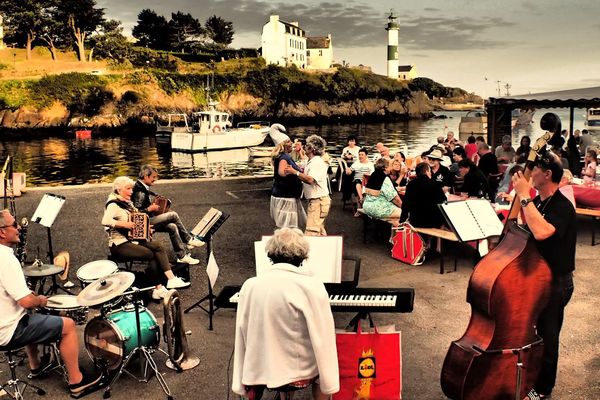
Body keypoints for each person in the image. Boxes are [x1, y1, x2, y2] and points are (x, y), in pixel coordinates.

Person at [0, 209, 102, 398]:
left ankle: (36, 366)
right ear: (2, 232)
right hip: (7, 331)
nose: (18, 229)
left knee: (28, 314)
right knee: (68, 326)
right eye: (14, 225)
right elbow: (26, 301)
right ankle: (76, 381)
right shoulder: (6, 259)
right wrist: (39, 299)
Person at [232, 228, 339, 400]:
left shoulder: (250, 285)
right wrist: (330, 379)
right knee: (323, 364)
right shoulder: (311, 286)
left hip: (259, 365)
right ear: (302, 256)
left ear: (271, 254)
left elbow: (242, 329)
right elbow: (323, 337)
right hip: (296, 371)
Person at [512, 152, 576, 399]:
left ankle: (543, 390)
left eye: (535, 170)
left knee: (548, 338)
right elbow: (525, 229)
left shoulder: (562, 206)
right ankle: (529, 376)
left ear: (548, 174)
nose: (531, 174)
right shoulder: (539, 202)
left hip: (556, 283)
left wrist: (523, 196)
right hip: (537, 278)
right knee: (533, 334)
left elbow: (541, 232)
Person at [102, 176, 190, 300]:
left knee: (157, 246)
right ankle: (158, 288)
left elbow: (137, 221)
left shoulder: (126, 203)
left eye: (131, 189)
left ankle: (171, 280)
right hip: (119, 245)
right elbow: (105, 221)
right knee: (150, 254)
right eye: (128, 189)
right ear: (118, 189)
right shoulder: (113, 204)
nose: (131, 192)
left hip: (131, 241)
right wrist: (125, 225)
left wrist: (146, 230)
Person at [132, 165, 204, 265]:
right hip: (142, 224)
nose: (155, 179)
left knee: (172, 226)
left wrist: (155, 209)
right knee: (173, 215)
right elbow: (136, 214)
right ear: (145, 176)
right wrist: (149, 209)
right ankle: (188, 240)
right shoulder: (140, 191)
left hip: (147, 219)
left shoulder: (141, 187)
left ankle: (181, 256)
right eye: (153, 177)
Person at [296, 135, 331, 236]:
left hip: (318, 201)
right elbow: (302, 166)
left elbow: (310, 180)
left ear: (311, 148)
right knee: (318, 229)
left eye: (306, 145)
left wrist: (295, 173)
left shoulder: (316, 162)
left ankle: (311, 251)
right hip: (318, 201)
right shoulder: (311, 161)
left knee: (311, 232)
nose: (304, 147)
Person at [270, 134, 306, 229]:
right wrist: (294, 172)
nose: (292, 144)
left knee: (285, 226)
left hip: (284, 194)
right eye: (290, 142)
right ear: (285, 145)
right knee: (287, 226)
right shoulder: (284, 157)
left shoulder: (282, 156)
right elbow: (281, 172)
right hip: (285, 196)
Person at [400, 162, 446, 228]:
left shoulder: (411, 184)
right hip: (433, 222)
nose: (431, 173)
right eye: (430, 171)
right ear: (427, 171)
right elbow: (443, 202)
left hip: (415, 221)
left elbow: (406, 204)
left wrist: (402, 220)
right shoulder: (435, 184)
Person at [362, 158, 402, 223]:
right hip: (378, 208)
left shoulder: (373, 174)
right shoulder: (384, 178)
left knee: (396, 215)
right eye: (390, 166)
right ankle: (397, 232)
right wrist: (404, 208)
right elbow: (394, 198)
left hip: (367, 206)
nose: (390, 168)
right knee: (406, 214)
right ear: (385, 168)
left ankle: (387, 230)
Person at [346, 147, 374, 216]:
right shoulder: (356, 163)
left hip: (367, 182)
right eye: (359, 154)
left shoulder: (370, 164)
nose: (360, 156)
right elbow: (349, 171)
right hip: (356, 181)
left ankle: (359, 208)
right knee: (357, 182)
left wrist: (366, 175)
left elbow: (373, 175)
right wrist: (348, 171)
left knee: (359, 184)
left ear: (366, 156)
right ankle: (361, 200)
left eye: (362, 155)